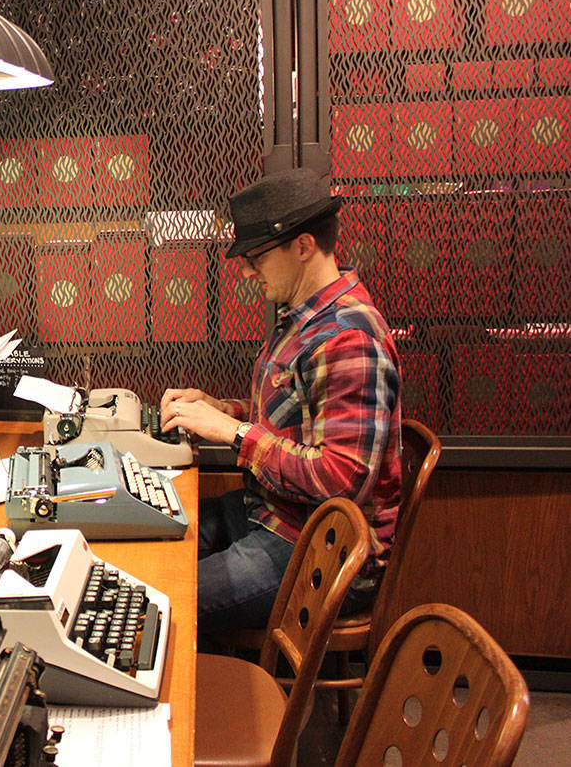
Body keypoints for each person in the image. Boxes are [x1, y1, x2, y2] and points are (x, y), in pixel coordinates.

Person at [161, 169, 402, 635]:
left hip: (321, 547)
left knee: (161, 599)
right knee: (153, 537)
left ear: (303, 246)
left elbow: (340, 480)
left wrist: (232, 432)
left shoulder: (348, 339)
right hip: (275, 512)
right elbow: (296, 418)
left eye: (255, 257)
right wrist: (218, 409)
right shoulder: (307, 315)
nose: (247, 270)